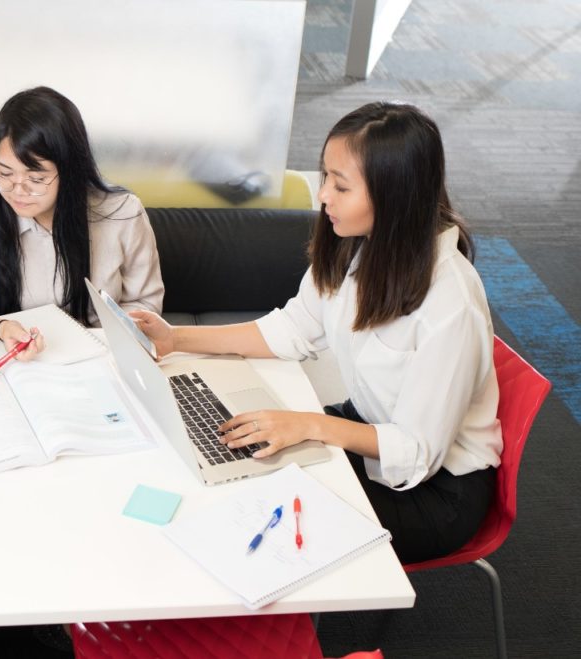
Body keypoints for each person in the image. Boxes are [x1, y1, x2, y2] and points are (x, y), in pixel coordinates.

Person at [130, 102, 501, 564]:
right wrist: (176, 338)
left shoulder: (450, 303)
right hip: (367, 430)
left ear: (395, 195)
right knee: (239, 467)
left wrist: (310, 425)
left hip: (434, 491)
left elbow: (415, 450)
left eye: (341, 186)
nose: (323, 195)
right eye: (325, 177)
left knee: (266, 520)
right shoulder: (355, 246)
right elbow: (291, 329)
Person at [0, 86, 163, 360]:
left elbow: (145, 306)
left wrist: (96, 344)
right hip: (12, 360)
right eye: (4, 174)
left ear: (70, 170)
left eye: (36, 179)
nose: (17, 191)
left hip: (100, 362)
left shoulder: (122, 213)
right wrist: (1, 328)